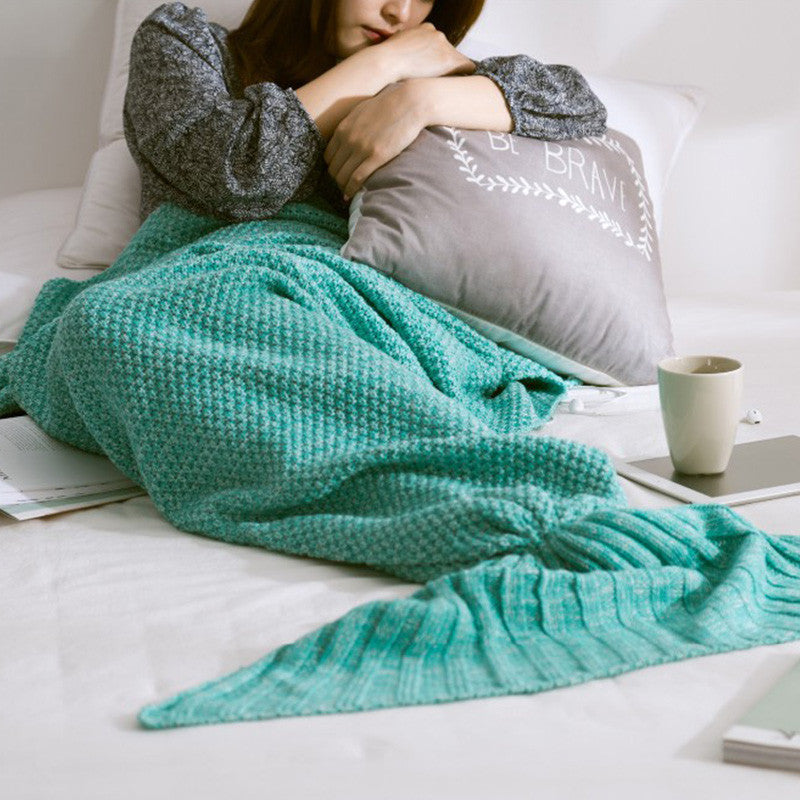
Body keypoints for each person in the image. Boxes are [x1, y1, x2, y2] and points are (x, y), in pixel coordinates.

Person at [123, 0, 607, 225]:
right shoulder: (182, 42)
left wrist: (418, 99)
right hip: (186, 293)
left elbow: (580, 107)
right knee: (100, 329)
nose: (401, 12)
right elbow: (236, 173)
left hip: (344, 307)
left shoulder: (416, 87)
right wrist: (385, 61)